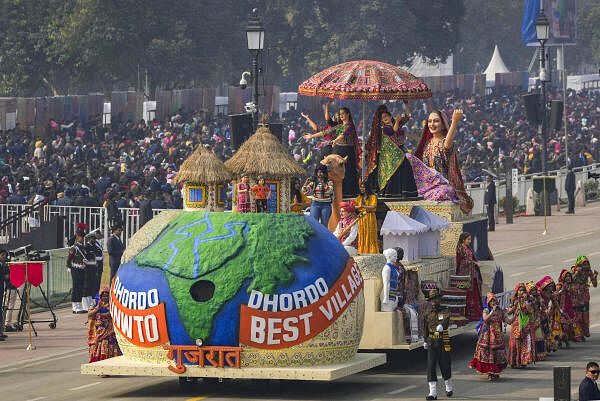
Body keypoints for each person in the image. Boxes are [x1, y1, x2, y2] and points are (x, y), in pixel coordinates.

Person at [414, 109, 474, 214]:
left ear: (443, 125)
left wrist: (454, 122)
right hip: (426, 186)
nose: (432, 124)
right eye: (430, 121)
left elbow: (447, 145)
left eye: (436, 121)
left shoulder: (445, 143)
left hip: (443, 186)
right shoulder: (427, 144)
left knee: (445, 191)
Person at [304, 106, 361, 197]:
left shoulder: (350, 126)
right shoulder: (339, 126)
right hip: (337, 150)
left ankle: (348, 193)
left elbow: (343, 135)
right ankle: (335, 192)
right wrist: (312, 136)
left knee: (348, 172)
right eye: (340, 114)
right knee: (335, 171)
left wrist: (335, 140)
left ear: (348, 114)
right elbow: (325, 132)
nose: (341, 115)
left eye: (343, 113)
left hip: (347, 151)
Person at [365, 102, 419, 198]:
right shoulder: (385, 128)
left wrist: (406, 105)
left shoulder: (395, 123)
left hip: (398, 152)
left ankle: (406, 192)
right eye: (382, 118)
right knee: (393, 173)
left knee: (406, 168)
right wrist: (398, 121)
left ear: (390, 116)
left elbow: (407, 117)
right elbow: (393, 131)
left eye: (386, 116)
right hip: (389, 156)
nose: (385, 118)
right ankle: (392, 192)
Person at [470, 292, 514, 381]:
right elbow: (485, 318)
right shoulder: (486, 310)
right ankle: (490, 373)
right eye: (491, 301)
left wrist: (516, 316)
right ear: (489, 302)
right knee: (488, 353)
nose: (493, 302)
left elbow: (508, 321)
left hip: (497, 336)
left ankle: (496, 372)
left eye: (494, 300)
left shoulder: (500, 311)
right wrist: (492, 311)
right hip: (487, 335)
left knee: (498, 353)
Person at [423, 288, 453, 400]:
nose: (434, 301)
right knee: (431, 366)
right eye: (432, 299)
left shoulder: (445, 310)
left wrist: (442, 325)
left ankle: (448, 385)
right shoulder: (428, 313)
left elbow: (446, 319)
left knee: (444, 364)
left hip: (442, 340)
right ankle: (433, 392)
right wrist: (425, 340)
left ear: (439, 299)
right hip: (431, 341)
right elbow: (425, 327)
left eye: (435, 299)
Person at [87, 285, 121, 366]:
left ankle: (109, 365)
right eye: (103, 296)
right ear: (100, 295)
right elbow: (89, 314)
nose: (105, 297)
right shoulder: (95, 302)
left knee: (109, 346)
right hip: (99, 330)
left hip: (109, 330)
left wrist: (107, 314)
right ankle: (100, 366)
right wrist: (97, 309)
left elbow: (114, 313)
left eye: (107, 295)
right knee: (98, 346)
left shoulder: (112, 303)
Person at [507, 282, 535, 368]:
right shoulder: (513, 300)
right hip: (516, 325)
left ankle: (524, 361)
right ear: (517, 291)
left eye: (523, 290)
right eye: (520, 290)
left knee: (525, 343)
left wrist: (525, 302)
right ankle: (515, 362)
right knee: (515, 345)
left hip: (526, 325)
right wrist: (515, 306)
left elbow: (531, 311)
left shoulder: (529, 300)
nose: (521, 292)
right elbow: (508, 312)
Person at [456, 233, 483, 321]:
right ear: (463, 239)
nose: (469, 241)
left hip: (473, 274)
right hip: (465, 276)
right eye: (468, 239)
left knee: (475, 294)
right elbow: (461, 262)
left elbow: (471, 258)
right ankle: (470, 314)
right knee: (468, 295)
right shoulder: (460, 248)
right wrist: (475, 263)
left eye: (470, 239)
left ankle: (477, 313)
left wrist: (475, 263)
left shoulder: (468, 248)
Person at [572, 255, 598, 339]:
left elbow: (594, 285)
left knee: (585, 315)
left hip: (585, 296)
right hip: (576, 296)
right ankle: (578, 333)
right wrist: (576, 272)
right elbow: (570, 280)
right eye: (584, 264)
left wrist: (594, 277)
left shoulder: (589, 271)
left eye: (587, 264)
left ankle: (585, 331)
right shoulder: (574, 271)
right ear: (579, 264)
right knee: (578, 316)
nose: (585, 266)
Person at [67, 223, 90, 314]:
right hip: (75, 269)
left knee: (80, 287)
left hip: (82, 269)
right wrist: (69, 267)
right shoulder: (74, 248)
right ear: (77, 237)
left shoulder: (82, 247)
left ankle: (79, 305)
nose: (82, 238)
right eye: (80, 236)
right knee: (76, 287)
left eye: (83, 237)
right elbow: (69, 259)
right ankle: (75, 306)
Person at [354, 183, 379, 254]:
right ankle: (362, 250)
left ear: (367, 188)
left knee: (370, 233)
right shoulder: (359, 197)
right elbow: (353, 206)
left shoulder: (373, 196)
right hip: (361, 217)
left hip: (370, 216)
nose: (362, 189)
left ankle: (371, 251)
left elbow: (374, 206)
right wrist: (359, 207)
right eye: (361, 187)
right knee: (362, 233)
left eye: (363, 187)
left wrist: (364, 206)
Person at [556, 269, 578, 345]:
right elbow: (555, 294)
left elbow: (575, 294)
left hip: (570, 308)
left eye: (569, 276)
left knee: (570, 325)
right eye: (566, 276)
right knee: (564, 326)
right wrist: (562, 290)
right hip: (561, 308)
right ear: (563, 278)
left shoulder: (571, 285)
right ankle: (561, 339)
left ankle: (565, 339)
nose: (568, 278)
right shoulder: (560, 285)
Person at [0, 249, 9, 341]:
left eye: (5, 255)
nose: (4, 257)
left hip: (2, 289)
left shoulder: (3, 265)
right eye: (2, 255)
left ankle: (1, 332)